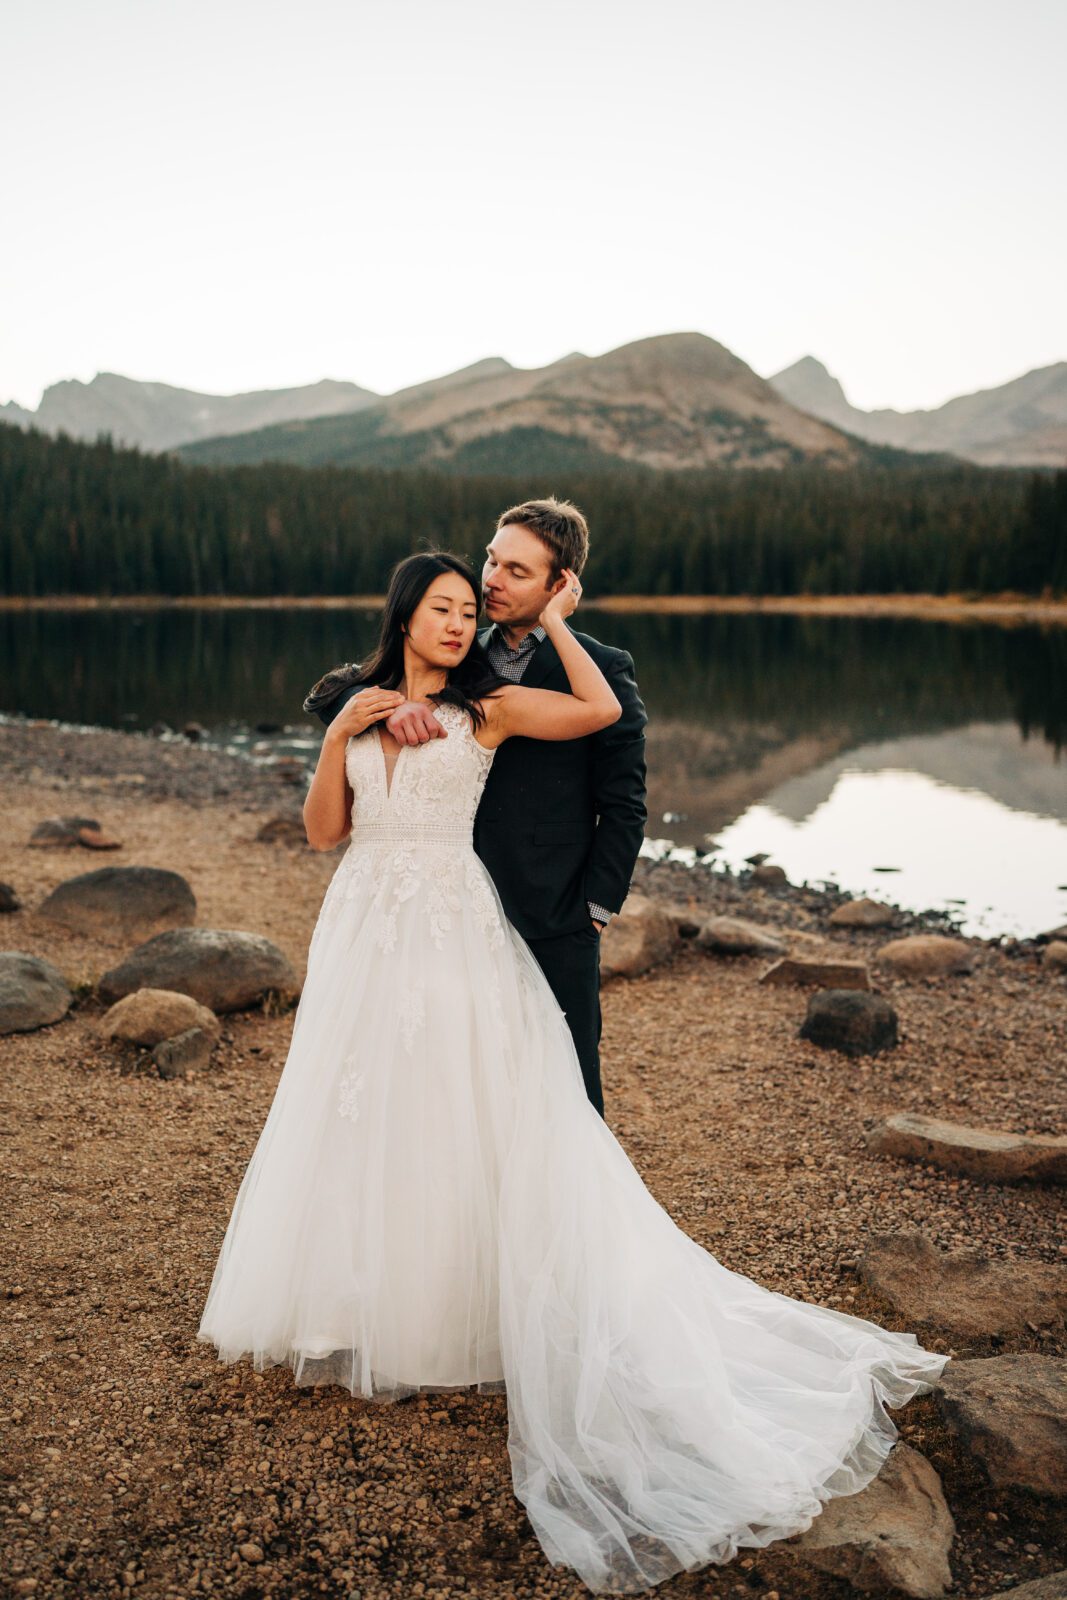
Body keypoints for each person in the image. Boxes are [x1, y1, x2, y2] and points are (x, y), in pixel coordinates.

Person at [198, 551, 949, 1596]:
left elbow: (597, 713)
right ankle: (362, 1309)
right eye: (443, 609)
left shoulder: (493, 707)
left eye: (470, 608)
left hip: (455, 923)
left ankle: (471, 1314)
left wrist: (552, 618)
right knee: (360, 1110)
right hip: (364, 922)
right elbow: (326, 830)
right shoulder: (358, 706)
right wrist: (339, 732)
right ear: (405, 617)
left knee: (458, 1106)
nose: (460, 623)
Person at [309, 497, 647, 1119]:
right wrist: (375, 701)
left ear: (558, 584)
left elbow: (625, 802)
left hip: (551, 904)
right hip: (451, 897)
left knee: (566, 1082)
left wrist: (595, 908)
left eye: (516, 571)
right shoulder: (463, 649)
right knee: (441, 1078)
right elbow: (352, 682)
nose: (491, 579)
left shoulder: (601, 667)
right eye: (492, 559)